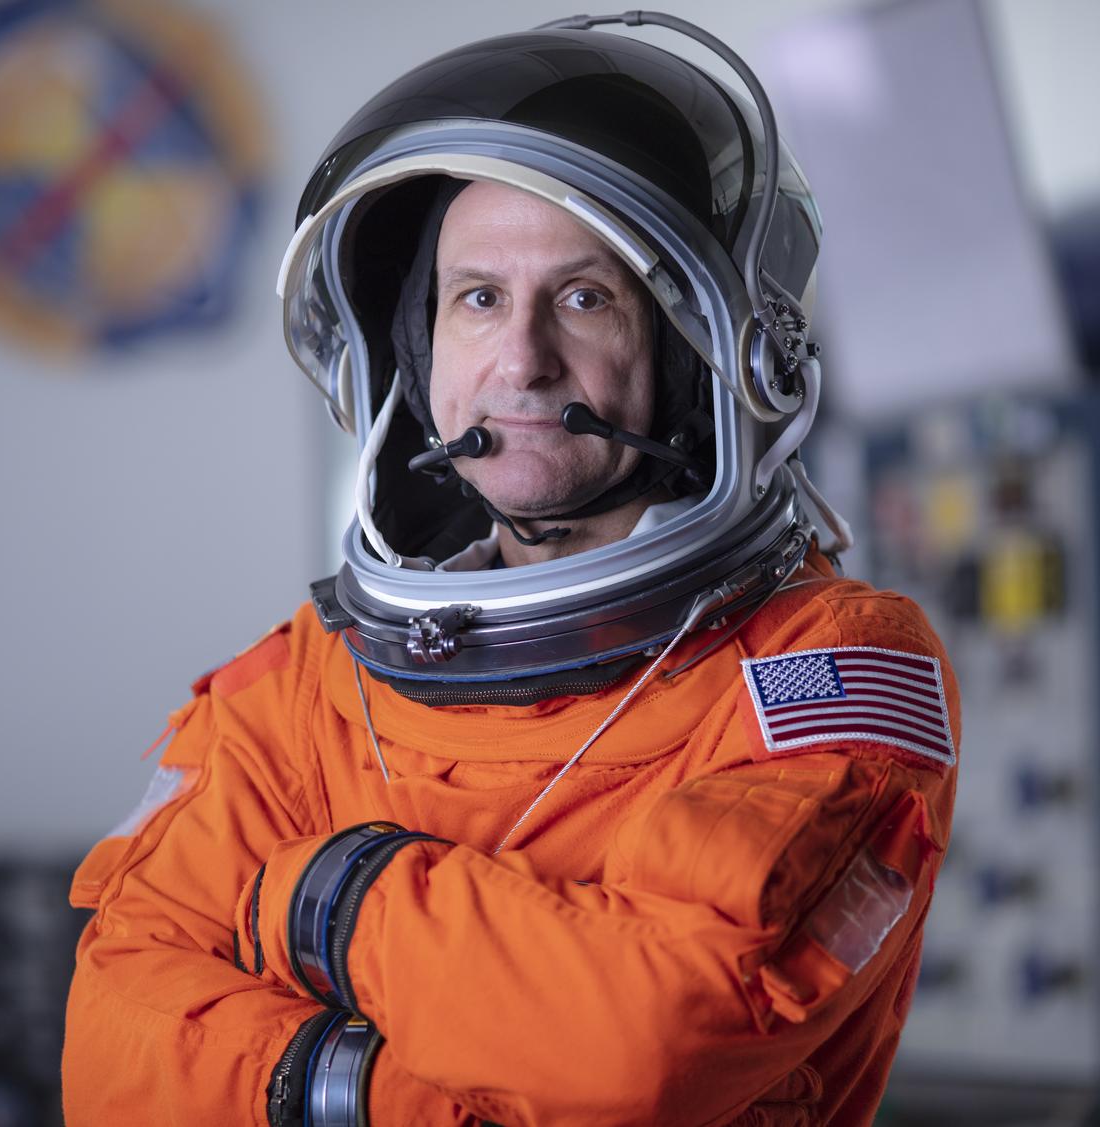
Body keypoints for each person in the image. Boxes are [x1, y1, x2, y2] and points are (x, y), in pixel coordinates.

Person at [62, 13, 958, 1127]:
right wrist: (396, 1086)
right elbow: (114, 1059)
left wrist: (328, 895)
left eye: (584, 297)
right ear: (417, 345)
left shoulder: (827, 666)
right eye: (478, 298)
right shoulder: (297, 691)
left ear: (698, 357)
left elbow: (647, 1041)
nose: (523, 359)